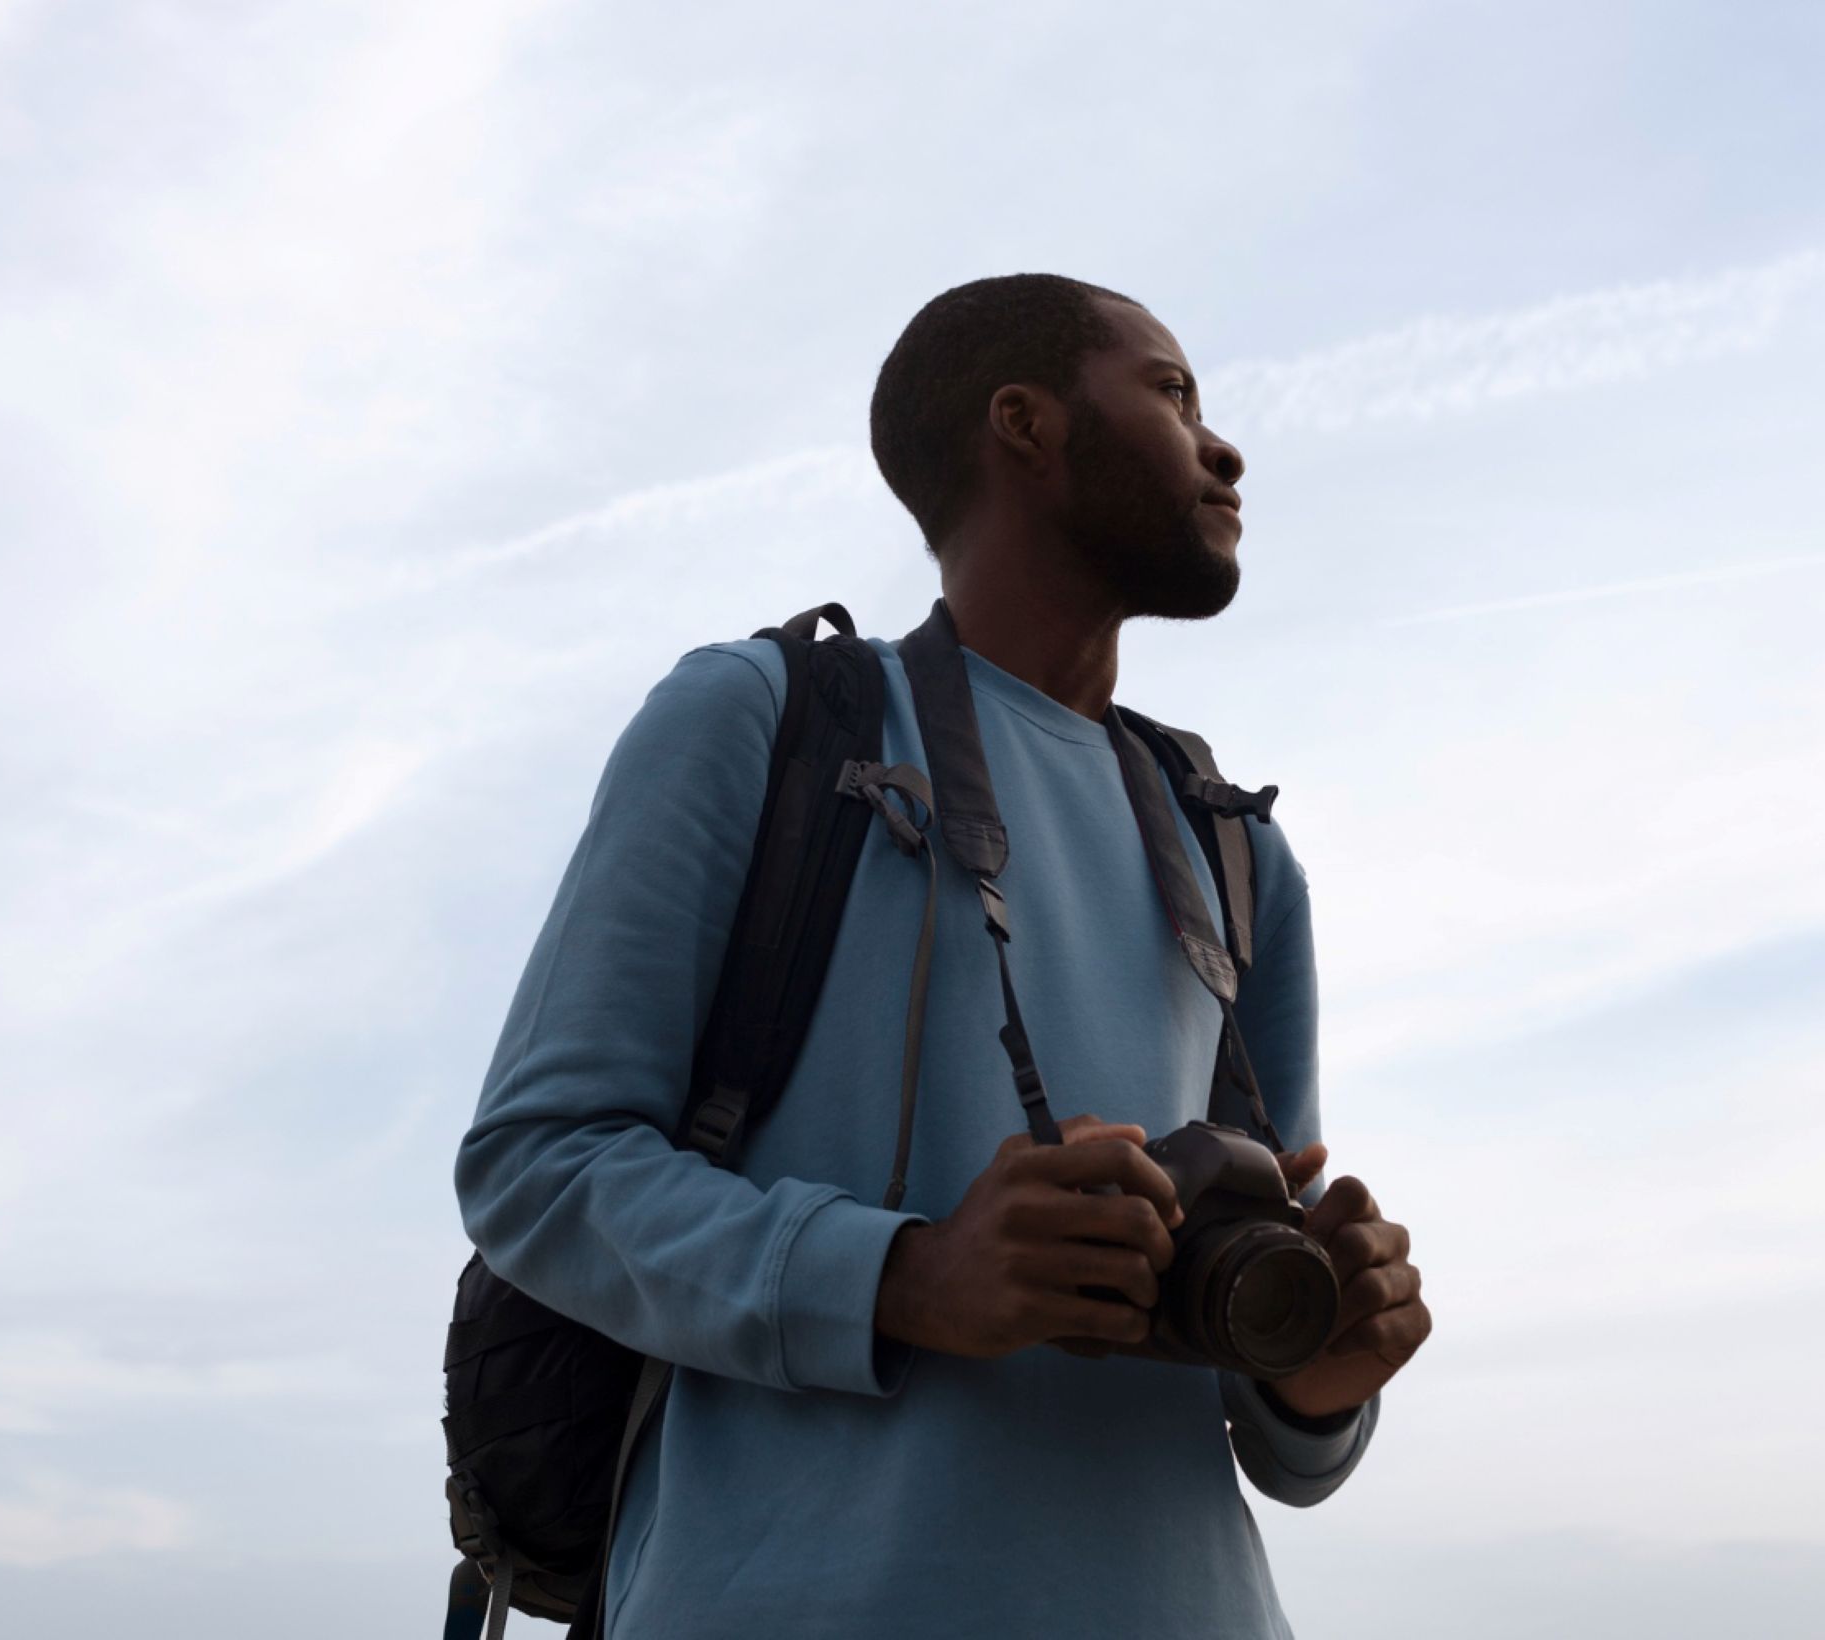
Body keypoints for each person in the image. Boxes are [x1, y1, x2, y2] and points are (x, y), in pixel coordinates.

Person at [454, 273, 1431, 1638]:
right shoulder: (761, 719)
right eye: (1171, 393)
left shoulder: (1238, 855)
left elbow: (1275, 1427)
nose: (1223, 447)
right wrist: (909, 1277)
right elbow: (535, 1167)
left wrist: (1321, 1370)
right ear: (1022, 425)